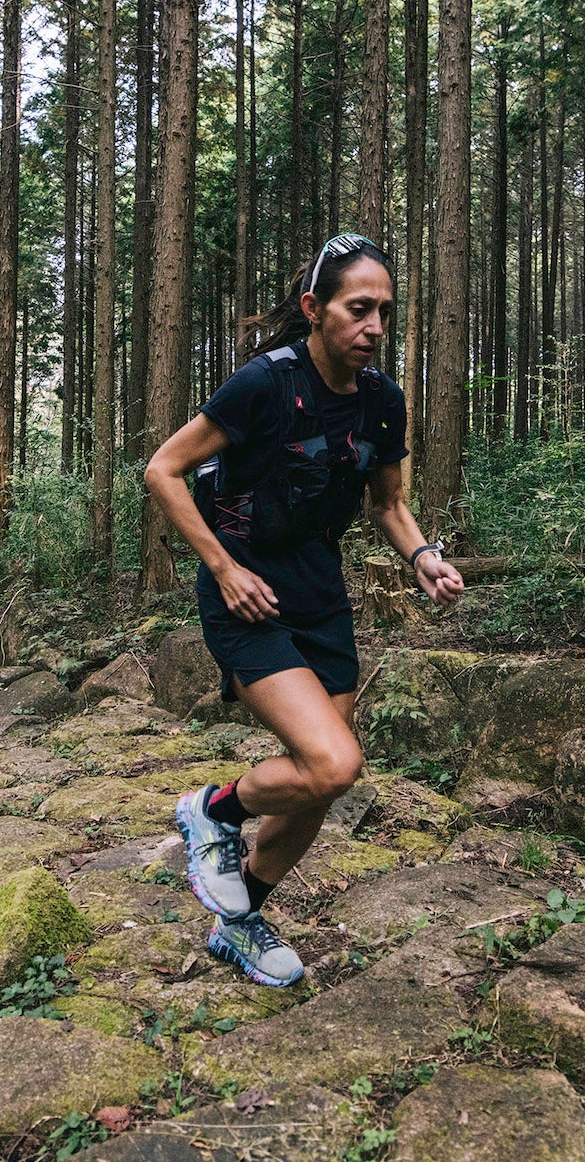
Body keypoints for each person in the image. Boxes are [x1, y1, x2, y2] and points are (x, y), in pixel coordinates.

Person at [143, 233, 466, 987]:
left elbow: (389, 502)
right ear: (314, 310)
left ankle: (240, 921)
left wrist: (422, 558)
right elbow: (163, 469)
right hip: (247, 598)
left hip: (322, 599)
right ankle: (213, 810)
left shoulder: (383, 401)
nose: (375, 327)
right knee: (334, 761)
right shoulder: (264, 384)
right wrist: (221, 567)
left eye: (384, 312)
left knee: (322, 786)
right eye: (359, 309)